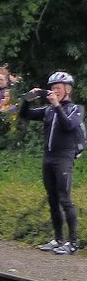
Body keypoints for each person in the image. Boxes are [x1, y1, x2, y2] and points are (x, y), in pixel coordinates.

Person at [20, 72, 84, 255]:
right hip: (48, 157)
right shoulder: (48, 110)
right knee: (52, 199)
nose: (54, 92)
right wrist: (28, 99)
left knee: (65, 199)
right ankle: (58, 239)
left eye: (58, 88)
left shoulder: (76, 108)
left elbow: (69, 126)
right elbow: (25, 114)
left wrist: (57, 106)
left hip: (64, 157)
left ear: (68, 90)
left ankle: (73, 242)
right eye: (52, 88)